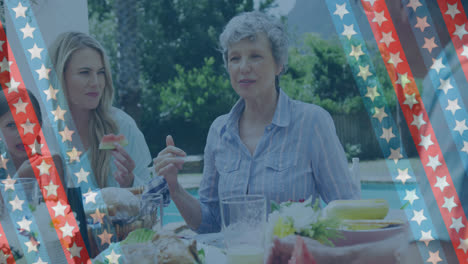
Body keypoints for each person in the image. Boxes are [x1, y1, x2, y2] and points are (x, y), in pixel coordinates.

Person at [154, 11, 360, 234]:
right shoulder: (218, 130)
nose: (243, 67)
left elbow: (347, 210)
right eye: (235, 58)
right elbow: (210, 223)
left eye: (255, 56)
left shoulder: (312, 122)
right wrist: (174, 188)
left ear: (279, 64)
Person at [48, 32, 152, 188]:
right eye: (85, 73)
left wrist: (131, 183)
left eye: (101, 72)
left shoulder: (123, 127)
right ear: (58, 76)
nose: (96, 83)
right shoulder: (45, 135)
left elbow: (155, 202)